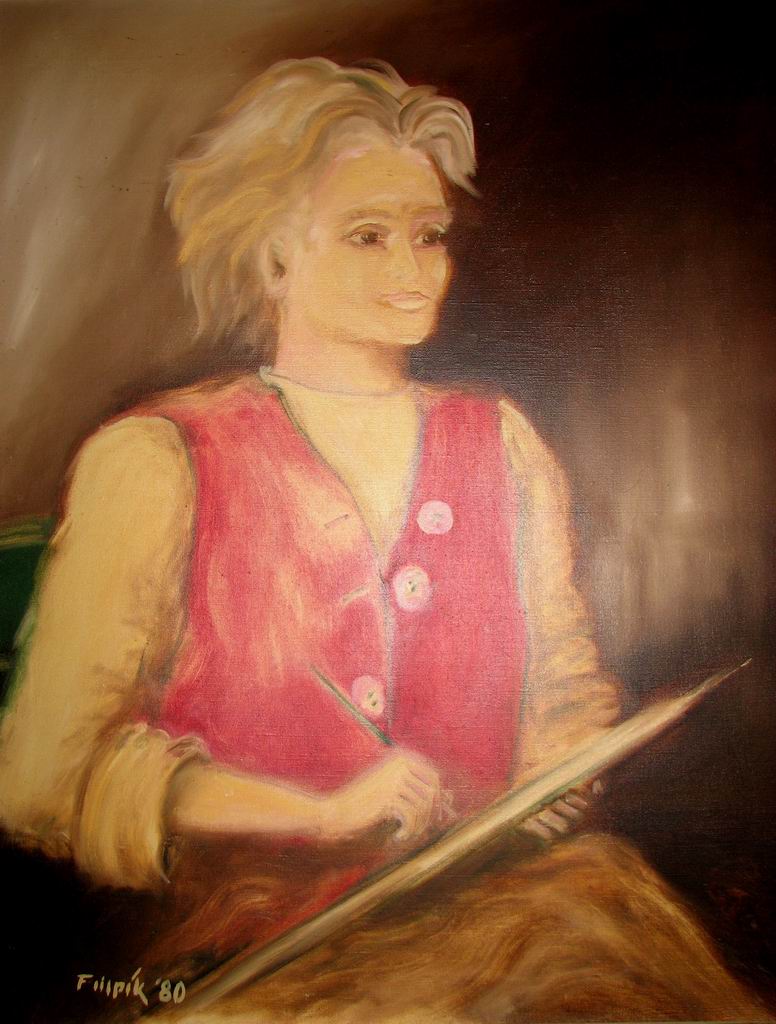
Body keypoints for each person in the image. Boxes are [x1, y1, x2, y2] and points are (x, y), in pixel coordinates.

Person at [0, 58, 769, 1023]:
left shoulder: (504, 446)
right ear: (274, 261)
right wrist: (320, 815)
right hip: (263, 963)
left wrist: (553, 779)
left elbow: (565, 699)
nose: (414, 271)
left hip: (507, 915)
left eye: (430, 236)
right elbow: (45, 779)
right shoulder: (156, 459)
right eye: (368, 236)